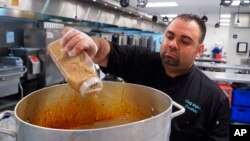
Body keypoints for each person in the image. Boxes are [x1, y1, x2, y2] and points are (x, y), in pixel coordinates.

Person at [60, 14, 230, 141]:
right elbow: (105, 51)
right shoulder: (140, 61)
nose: (172, 44)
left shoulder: (214, 98)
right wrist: (92, 45)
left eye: (185, 41)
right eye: (170, 36)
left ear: (199, 50)